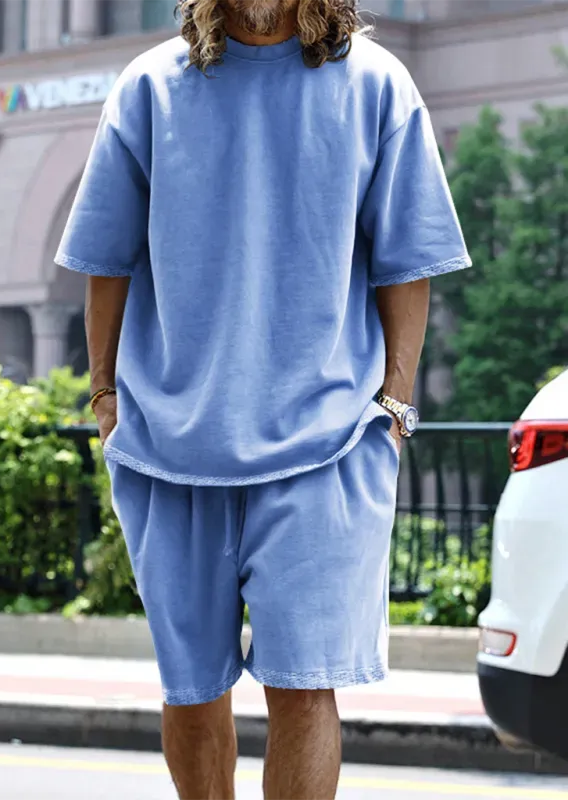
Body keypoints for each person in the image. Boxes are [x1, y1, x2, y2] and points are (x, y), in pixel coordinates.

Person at [56, 1, 470, 797]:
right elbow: (106, 259)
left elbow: (406, 262)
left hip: (328, 446)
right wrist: (104, 394)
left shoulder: (378, 86)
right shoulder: (148, 88)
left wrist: (394, 405)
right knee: (192, 690)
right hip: (170, 447)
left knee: (305, 687)